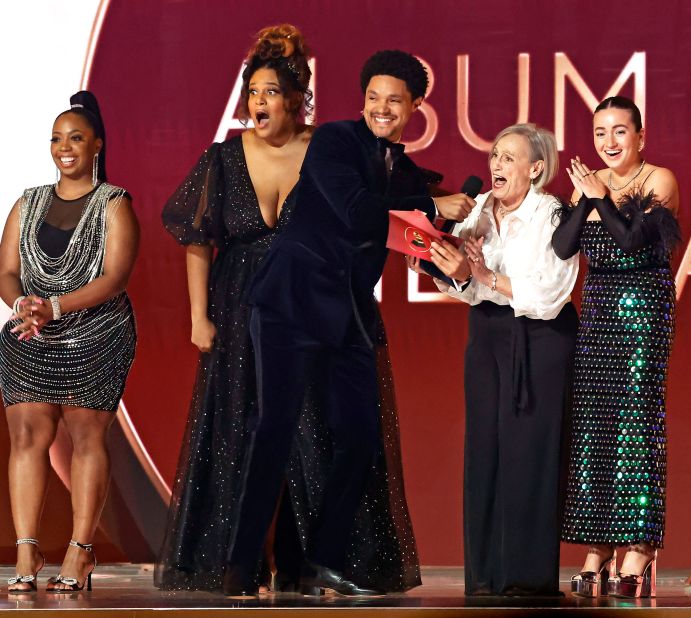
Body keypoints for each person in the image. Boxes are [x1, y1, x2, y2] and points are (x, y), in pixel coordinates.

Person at [158, 30, 421, 595]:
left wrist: (441, 224)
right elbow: (198, 240)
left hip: (331, 303)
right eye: (252, 91)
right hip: (251, 303)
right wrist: (199, 316)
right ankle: (239, 565)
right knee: (255, 431)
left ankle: (311, 563)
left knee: (333, 434)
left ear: (297, 97)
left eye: (270, 91)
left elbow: (388, 212)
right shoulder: (229, 156)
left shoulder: (335, 147)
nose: (257, 103)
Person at [224, 49, 475, 596]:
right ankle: (241, 566)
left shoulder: (403, 168)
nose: (382, 109)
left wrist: (455, 222)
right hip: (291, 300)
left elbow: (421, 219)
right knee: (274, 429)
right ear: (362, 101)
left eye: (394, 100)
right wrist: (434, 207)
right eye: (373, 98)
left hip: (348, 312)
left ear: (414, 107)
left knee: (361, 435)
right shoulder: (335, 141)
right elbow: (362, 210)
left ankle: (323, 563)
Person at [411, 123, 578, 596]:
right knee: (485, 451)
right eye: (495, 156)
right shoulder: (480, 207)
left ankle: (525, 579)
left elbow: (549, 293)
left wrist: (484, 275)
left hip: (540, 339)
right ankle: (485, 577)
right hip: (486, 334)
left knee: (529, 455)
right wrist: (446, 267)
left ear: (536, 169)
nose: (496, 166)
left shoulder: (551, 215)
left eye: (509, 158)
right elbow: (465, 285)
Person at [0, 91, 139, 593]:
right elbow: (7, 271)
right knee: (26, 438)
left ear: (96, 145)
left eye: (76, 138)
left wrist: (54, 307)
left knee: (86, 438)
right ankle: (26, 549)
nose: (64, 147)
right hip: (29, 334)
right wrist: (23, 306)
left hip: (96, 336)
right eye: (57, 138)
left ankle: (80, 553)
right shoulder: (28, 201)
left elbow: (115, 278)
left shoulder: (114, 204)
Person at [553, 96, 680, 598]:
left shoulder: (659, 181)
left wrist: (599, 195)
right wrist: (585, 199)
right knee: (594, 426)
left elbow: (632, 243)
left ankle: (639, 547)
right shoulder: (589, 187)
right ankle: (599, 546)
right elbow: (563, 247)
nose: (609, 142)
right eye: (600, 132)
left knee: (635, 419)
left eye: (620, 132)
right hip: (599, 309)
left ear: (640, 137)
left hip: (643, 310)